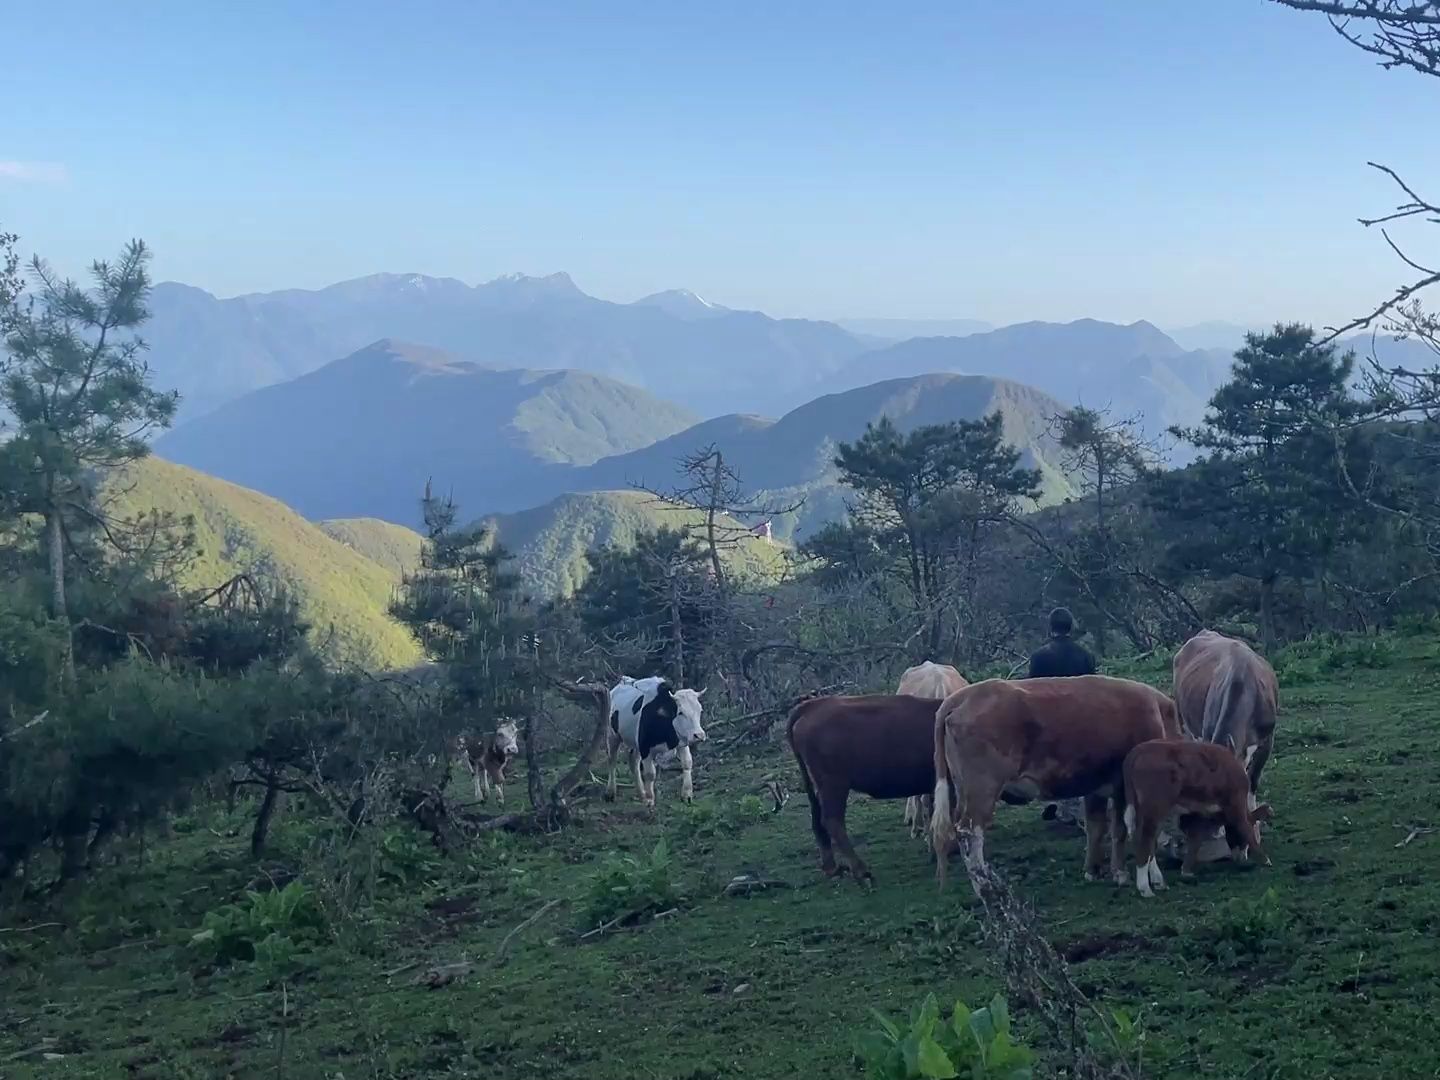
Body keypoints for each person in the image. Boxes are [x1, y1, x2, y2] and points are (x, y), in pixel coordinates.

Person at [1026, 607, 1096, 825]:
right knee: (1077, 762)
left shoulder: (1040, 657)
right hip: (1079, 717)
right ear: (1071, 627)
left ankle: (1054, 802)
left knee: (1050, 762)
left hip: (1049, 718)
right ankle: (1074, 807)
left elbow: (1031, 691)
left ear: (1050, 627)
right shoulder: (1085, 656)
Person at [1026, 607, 1097, 679]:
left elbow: (1032, 688)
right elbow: (1091, 687)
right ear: (1071, 627)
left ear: (1050, 627)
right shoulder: (1087, 657)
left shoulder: (1038, 657)